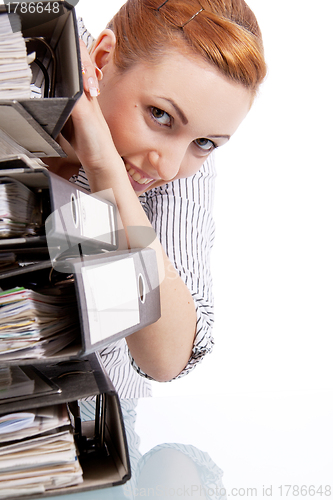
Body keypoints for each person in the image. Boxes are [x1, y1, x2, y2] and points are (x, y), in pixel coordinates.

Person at [46, 0, 267, 398]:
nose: (167, 167)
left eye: (205, 143)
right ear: (101, 57)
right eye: (160, 116)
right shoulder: (41, 46)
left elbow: (168, 358)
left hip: (89, 409)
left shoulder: (181, 172)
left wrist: (105, 169)